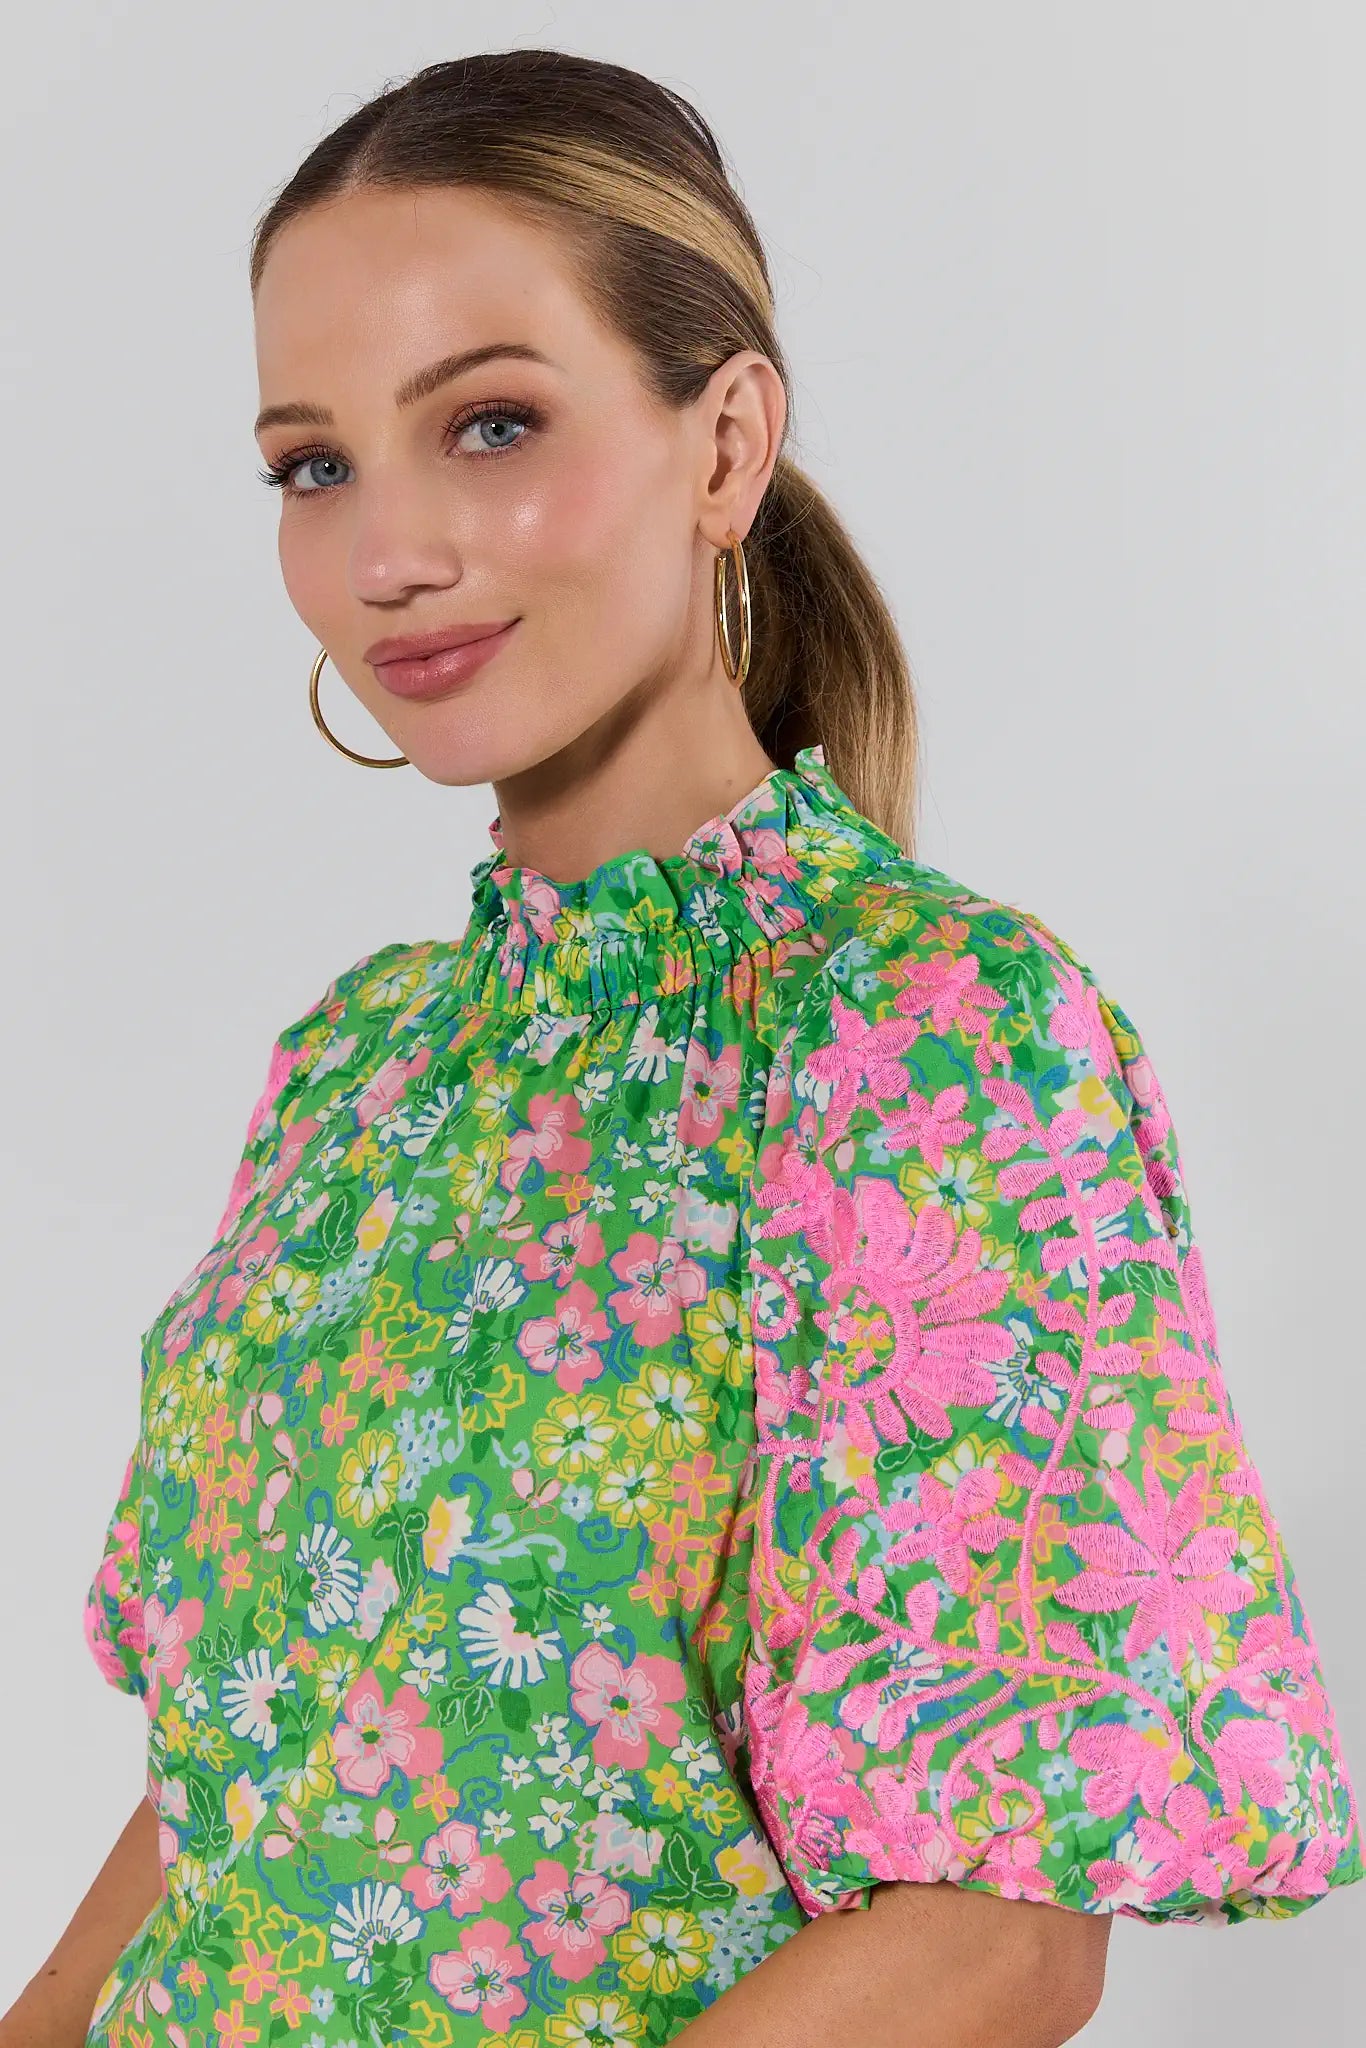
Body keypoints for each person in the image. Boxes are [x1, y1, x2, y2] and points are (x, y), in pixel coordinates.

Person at [7, 45, 1360, 2048]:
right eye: (313, 465)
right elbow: (262, 1766)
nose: (384, 553)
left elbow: (992, 1931)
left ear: (723, 444)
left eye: (488, 423)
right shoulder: (358, 1065)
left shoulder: (930, 1038)